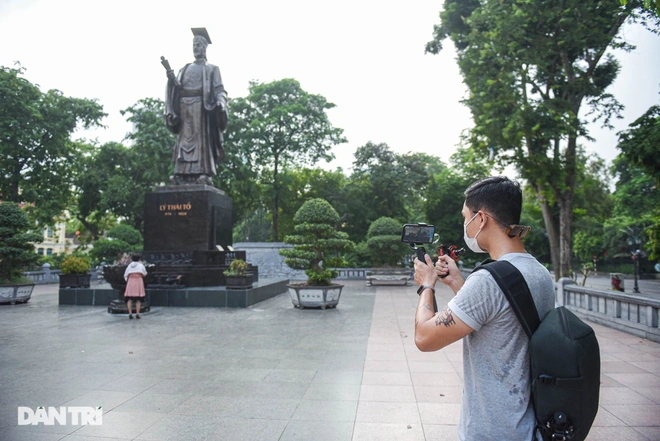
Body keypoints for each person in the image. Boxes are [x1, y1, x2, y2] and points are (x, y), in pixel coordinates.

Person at [413, 176, 555, 441]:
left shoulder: (488, 280)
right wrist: (457, 283)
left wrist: (427, 285)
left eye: (465, 217)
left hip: (493, 429)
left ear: (481, 218)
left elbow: (424, 337)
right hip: (526, 423)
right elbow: (503, 316)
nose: (465, 225)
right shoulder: (538, 271)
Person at [164, 27, 228, 186]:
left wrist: (220, 101)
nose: (196, 48)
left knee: (201, 144)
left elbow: (220, 89)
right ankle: (180, 174)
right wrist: (172, 83)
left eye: (199, 45)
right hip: (184, 109)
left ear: (205, 48)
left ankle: (202, 173)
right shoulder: (184, 69)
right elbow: (176, 90)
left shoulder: (212, 69)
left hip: (201, 109)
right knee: (183, 142)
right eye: (194, 45)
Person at [124, 254, 148, 319]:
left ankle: (130, 313)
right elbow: (145, 273)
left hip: (131, 282)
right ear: (139, 259)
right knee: (138, 299)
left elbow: (126, 274)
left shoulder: (129, 266)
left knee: (129, 298)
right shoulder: (141, 265)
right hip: (138, 282)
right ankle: (137, 313)